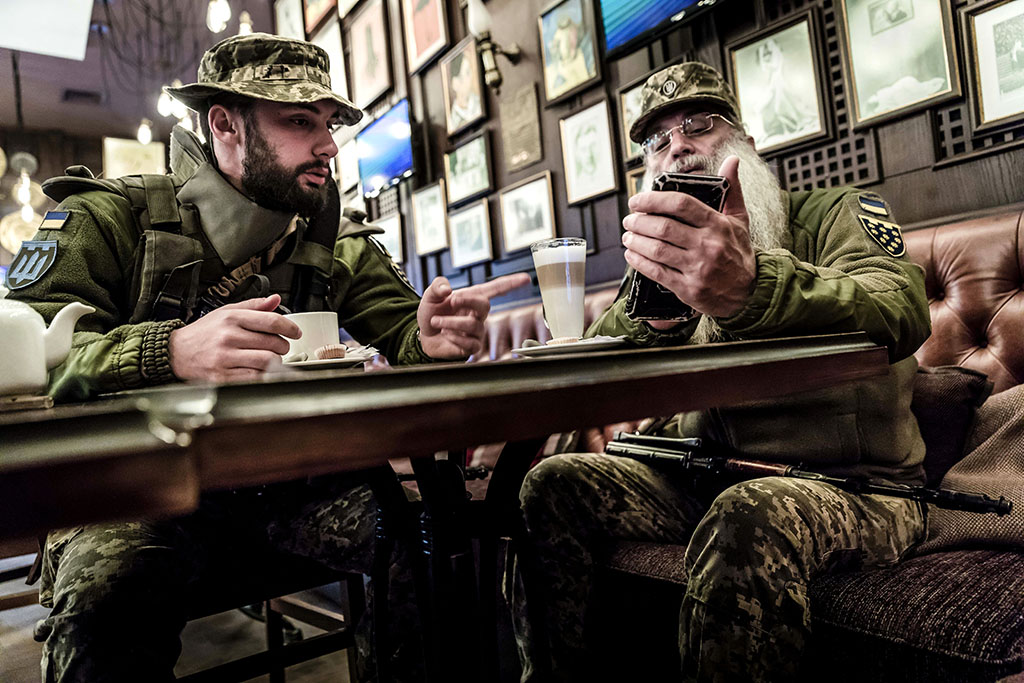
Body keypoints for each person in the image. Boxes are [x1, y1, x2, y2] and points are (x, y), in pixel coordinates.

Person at [6, 32, 527, 682]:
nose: (329, 143)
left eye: (329, 122)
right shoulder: (111, 219)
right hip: (139, 494)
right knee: (107, 601)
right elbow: (21, 362)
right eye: (301, 121)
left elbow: (406, 334)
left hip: (289, 487)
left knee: (433, 540)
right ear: (223, 123)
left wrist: (431, 338)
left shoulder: (329, 235)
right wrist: (167, 349)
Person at [510, 61, 931, 682]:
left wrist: (753, 284)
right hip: (700, 474)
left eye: (698, 124)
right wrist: (650, 320)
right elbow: (594, 359)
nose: (676, 144)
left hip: (858, 488)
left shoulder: (836, 212)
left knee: (746, 513)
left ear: (745, 145)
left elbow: (900, 307)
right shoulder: (660, 264)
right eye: (657, 140)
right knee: (551, 485)